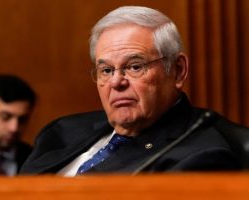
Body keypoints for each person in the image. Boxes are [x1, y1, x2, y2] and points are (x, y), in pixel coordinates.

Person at [20, 6, 242, 176]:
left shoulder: (198, 159)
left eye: (135, 66)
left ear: (178, 71)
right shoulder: (62, 132)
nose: (116, 82)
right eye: (106, 70)